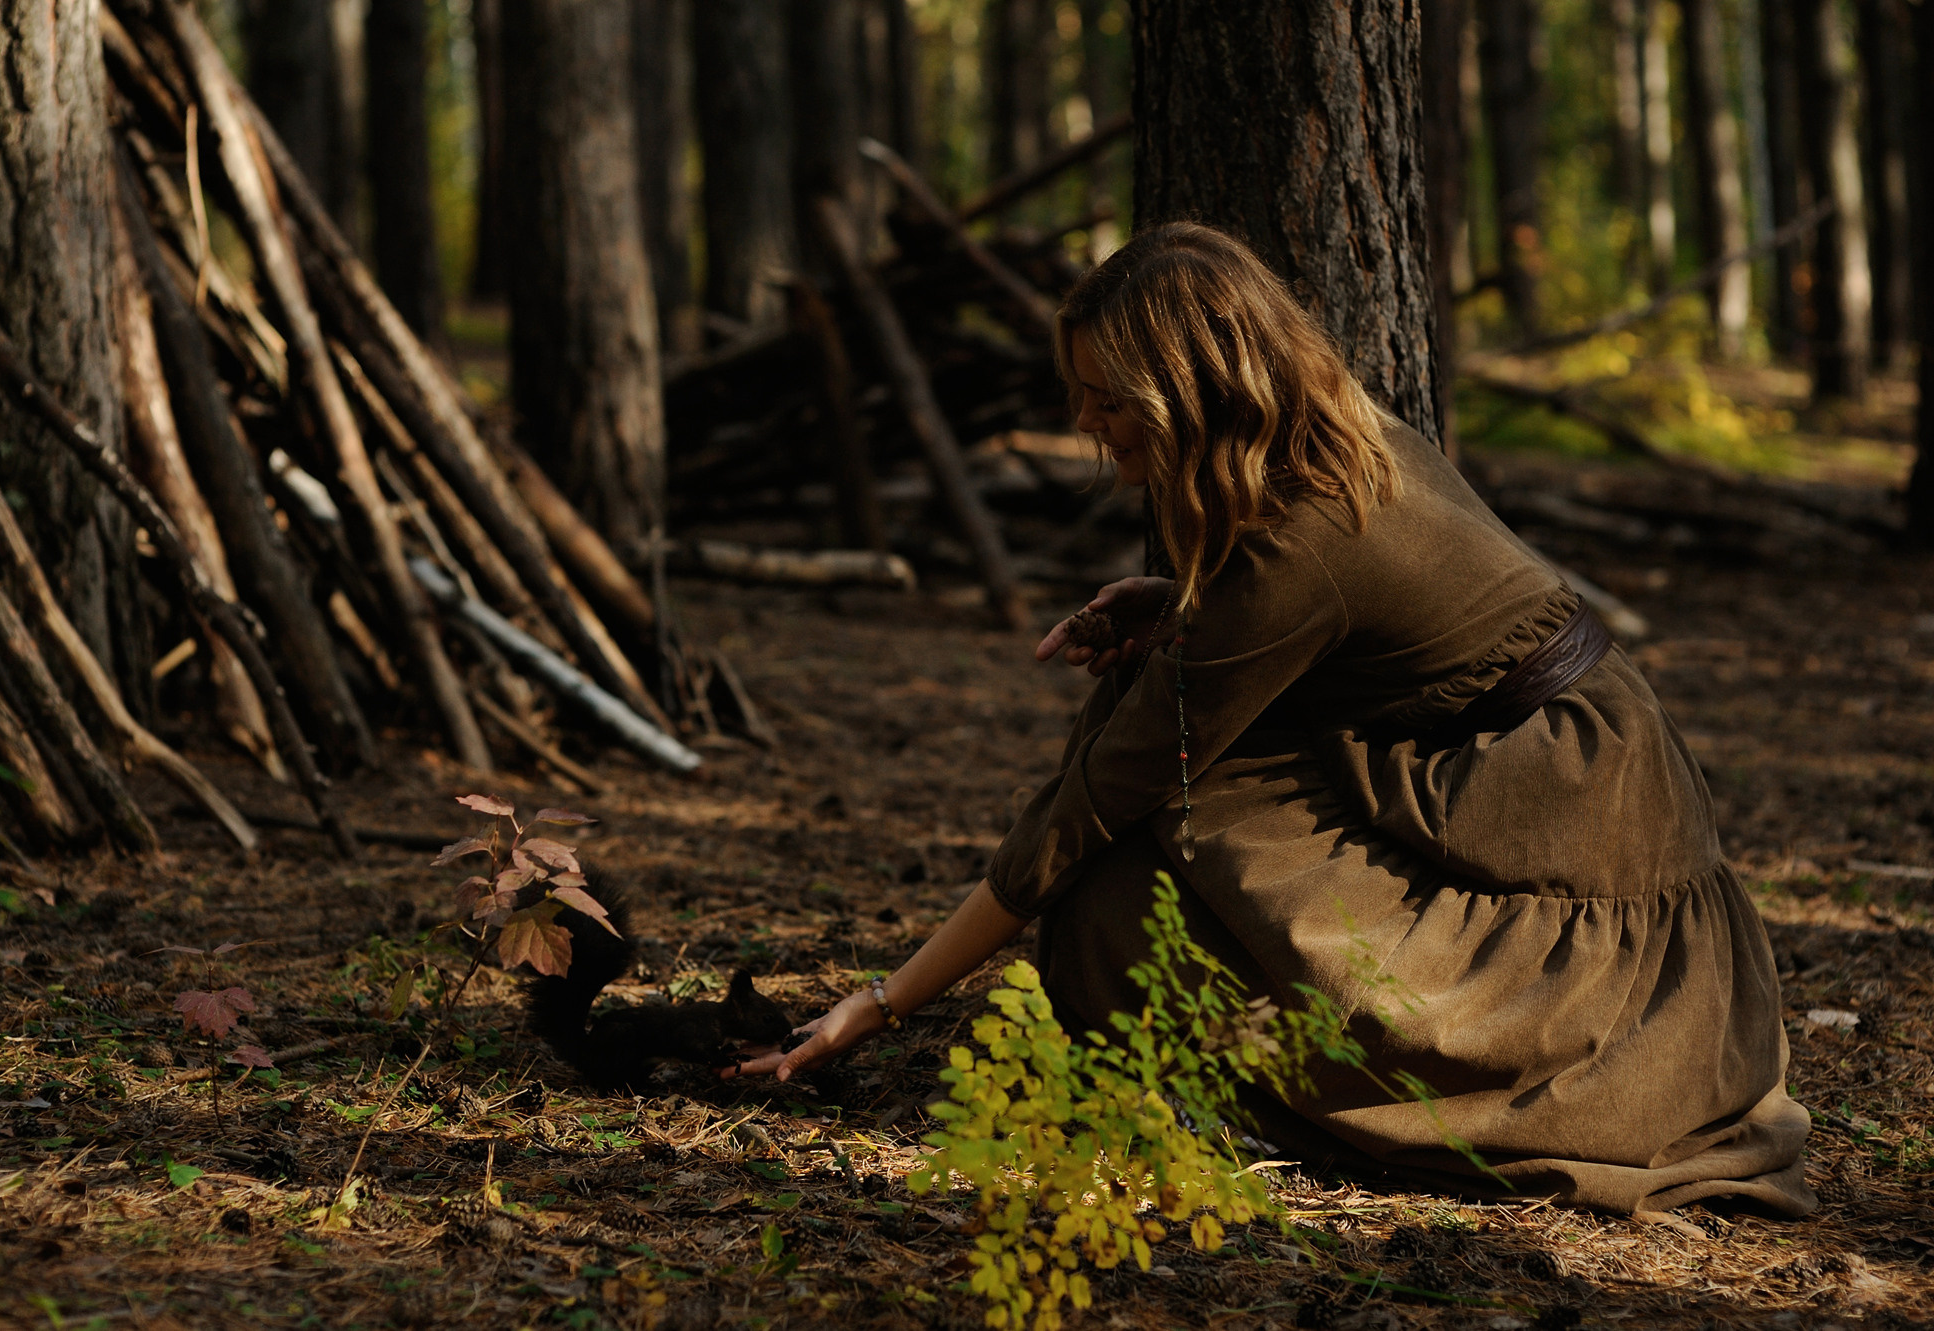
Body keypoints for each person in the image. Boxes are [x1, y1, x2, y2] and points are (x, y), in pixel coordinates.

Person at [734, 222, 1815, 1217]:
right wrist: (1179, 611)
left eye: (1105, 398)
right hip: (1544, 751)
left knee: (1141, 829)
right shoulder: (1337, 427)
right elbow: (1355, 620)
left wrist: (881, 1001)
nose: (1083, 423)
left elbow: (1086, 805)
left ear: (1183, 393)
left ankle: (1361, 1072)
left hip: (1556, 799)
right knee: (1152, 798)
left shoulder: (1291, 542)